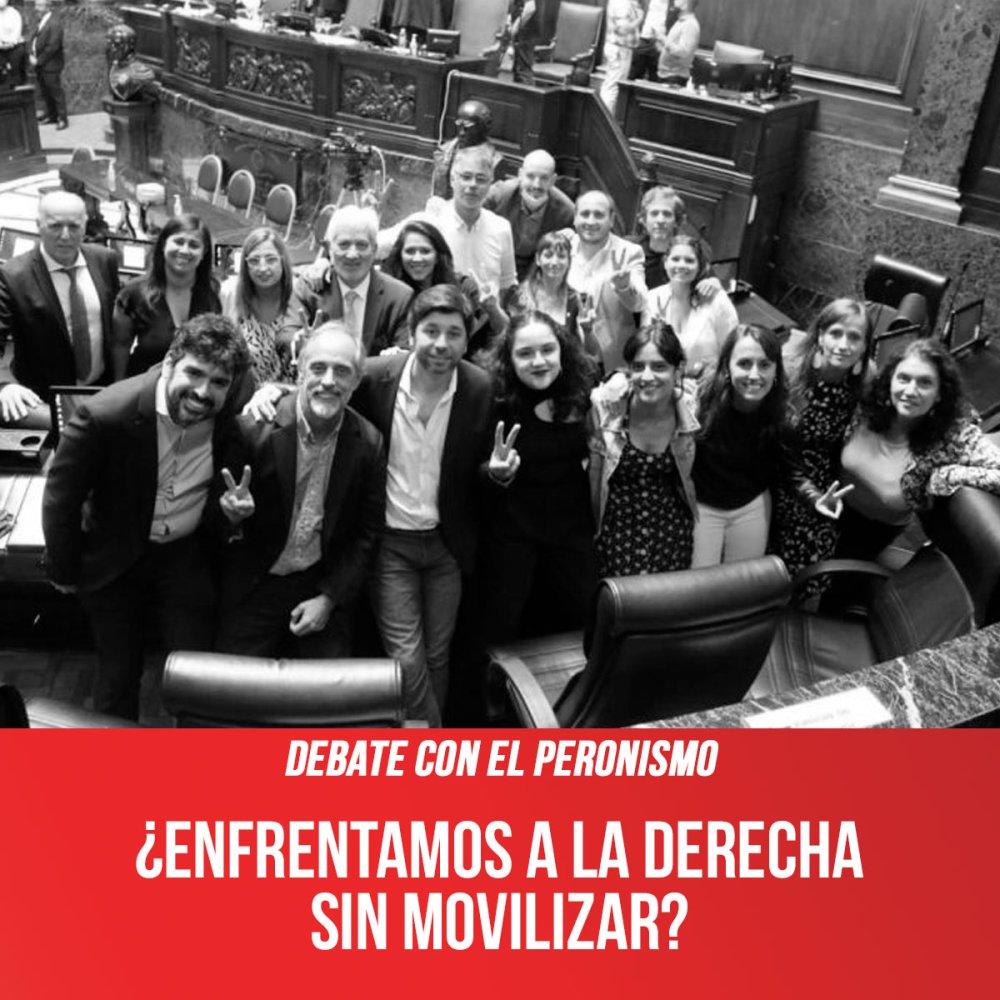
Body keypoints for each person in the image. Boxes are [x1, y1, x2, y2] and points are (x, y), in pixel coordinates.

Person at [41, 314, 250, 721]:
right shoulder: (104, 415)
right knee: (118, 677)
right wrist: (64, 569)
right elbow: (61, 499)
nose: (203, 392)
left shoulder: (227, 417)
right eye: (194, 373)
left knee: (197, 676)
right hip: (116, 560)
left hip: (185, 558)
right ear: (170, 361)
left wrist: (230, 516)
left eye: (219, 382)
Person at [349, 284, 496, 727]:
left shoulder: (479, 387)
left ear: (467, 340)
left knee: (436, 655)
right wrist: (267, 395)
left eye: (454, 333)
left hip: (446, 545)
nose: (441, 344)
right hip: (391, 544)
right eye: (431, 331)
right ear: (412, 333)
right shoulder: (375, 377)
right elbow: (323, 391)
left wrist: (498, 473)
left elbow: (478, 470)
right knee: (407, 659)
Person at [215, 322, 386, 658]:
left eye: (342, 371)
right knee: (231, 684)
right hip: (255, 585)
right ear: (300, 372)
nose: (328, 380)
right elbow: (212, 519)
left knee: (330, 688)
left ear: (356, 381)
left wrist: (329, 598)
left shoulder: (369, 444)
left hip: (319, 585)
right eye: (318, 368)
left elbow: (367, 535)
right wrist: (231, 517)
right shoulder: (253, 429)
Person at [480, 311, 598, 642]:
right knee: (503, 631)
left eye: (547, 350)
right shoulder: (493, 399)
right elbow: (471, 474)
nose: (538, 361)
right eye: (525, 353)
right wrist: (495, 473)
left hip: (572, 534)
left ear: (562, 350)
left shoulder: (582, 390)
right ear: (509, 359)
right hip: (513, 537)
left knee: (584, 629)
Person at [834, 338, 1000, 563]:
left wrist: (945, 476)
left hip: (869, 536)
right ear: (890, 380)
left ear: (939, 392)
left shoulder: (952, 437)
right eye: (903, 378)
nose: (910, 391)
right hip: (823, 503)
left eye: (924, 383)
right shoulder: (866, 404)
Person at [771, 298, 874, 580]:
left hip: (828, 484)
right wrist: (809, 493)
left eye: (854, 337)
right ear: (820, 336)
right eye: (835, 333)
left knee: (817, 555)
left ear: (865, 345)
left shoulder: (864, 380)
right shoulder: (790, 371)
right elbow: (776, 446)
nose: (843, 345)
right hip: (781, 475)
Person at [589, 321, 699, 577]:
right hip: (617, 533)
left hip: (672, 533)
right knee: (623, 600)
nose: (647, 376)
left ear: (677, 370)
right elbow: (593, 476)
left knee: (670, 599)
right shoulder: (606, 408)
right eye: (638, 367)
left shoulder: (690, 408)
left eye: (659, 367)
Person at [0, 191, 120, 426]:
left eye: (74, 226)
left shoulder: (105, 260)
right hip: (44, 398)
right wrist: (4, 384)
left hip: (102, 390)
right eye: (55, 226)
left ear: (85, 226)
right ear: (39, 225)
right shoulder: (13, 275)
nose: (65, 235)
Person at [691, 324, 791, 567]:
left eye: (764, 365)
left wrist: (814, 497)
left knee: (743, 580)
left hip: (750, 504)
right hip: (702, 505)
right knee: (700, 581)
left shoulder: (782, 413)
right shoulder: (700, 401)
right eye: (744, 364)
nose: (754, 375)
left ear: (776, 370)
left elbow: (792, 469)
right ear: (727, 366)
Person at [381, 146, 518, 309]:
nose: (473, 185)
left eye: (481, 179)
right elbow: (376, 246)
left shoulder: (501, 228)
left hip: (485, 319)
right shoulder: (430, 221)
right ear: (452, 179)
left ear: (490, 183)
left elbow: (507, 284)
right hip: (437, 317)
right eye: (466, 177)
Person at [288, 205, 413, 358]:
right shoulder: (310, 288)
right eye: (344, 244)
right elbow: (286, 335)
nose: (352, 254)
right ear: (329, 248)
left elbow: (403, 356)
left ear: (374, 249)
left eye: (361, 245)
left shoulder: (399, 297)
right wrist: (302, 344)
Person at [111, 213, 220, 380]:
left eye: (194, 245)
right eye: (178, 242)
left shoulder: (213, 292)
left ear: (204, 252)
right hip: (144, 387)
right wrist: (119, 388)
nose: (184, 250)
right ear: (163, 244)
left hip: (194, 388)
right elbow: (120, 346)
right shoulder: (133, 293)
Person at [380, 218, 507, 357]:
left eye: (425, 251)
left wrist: (492, 309)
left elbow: (504, 333)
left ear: (437, 256)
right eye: (410, 251)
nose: (417, 258)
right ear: (400, 255)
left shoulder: (463, 287)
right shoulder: (393, 294)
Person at [565, 189, 647, 373]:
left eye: (599, 215)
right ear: (575, 218)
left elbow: (640, 303)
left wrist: (623, 286)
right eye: (585, 214)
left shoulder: (628, 252)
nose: (591, 221)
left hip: (608, 359)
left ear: (611, 220)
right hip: (563, 354)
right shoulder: (562, 246)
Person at [642, 232, 737, 377]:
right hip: (666, 383)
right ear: (666, 263)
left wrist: (714, 374)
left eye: (689, 260)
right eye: (675, 259)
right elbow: (647, 350)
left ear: (699, 266)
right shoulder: (652, 298)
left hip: (709, 383)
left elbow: (733, 348)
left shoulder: (716, 299)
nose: (681, 265)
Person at [507, 230, 602, 363]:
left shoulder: (577, 300)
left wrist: (588, 330)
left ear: (569, 261)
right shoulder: (519, 296)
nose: (554, 262)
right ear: (538, 259)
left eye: (561, 256)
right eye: (548, 255)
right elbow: (509, 343)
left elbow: (593, 354)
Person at [219, 227, 297, 387]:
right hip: (244, 394)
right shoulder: (229, 293)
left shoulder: (300, 293)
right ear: (245, 264)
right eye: (254, 261)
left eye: (271, 259)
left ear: (282, 260)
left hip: (292, 394)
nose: (263, 268)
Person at [483, 149, 575, 282]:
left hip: (537, 271)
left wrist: (571, 235)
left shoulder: (566, 211)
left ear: (553, 180)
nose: (536, 185)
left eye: (544, 178)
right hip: (497, 262)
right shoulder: (499, 195)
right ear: (520, 175)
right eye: (530, 176)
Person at [632, 185, 714, 290]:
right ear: (644, 220)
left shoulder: (690, 252)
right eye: (654, 214)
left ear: (677, 221)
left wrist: (713, 283)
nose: (660, 220)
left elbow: (710, 281)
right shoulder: (630, 248)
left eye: (667, 214)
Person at [431, 99, 498, 199]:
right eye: (460, 127)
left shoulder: (494, 161)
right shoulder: (444, 152)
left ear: (482, 129)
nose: (461, 133)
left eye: (468, 128)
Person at [599, 0, 644, 113]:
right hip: (620, 50)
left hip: (618, 49)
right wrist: (639, 19)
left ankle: (602, 118)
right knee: (613, 89)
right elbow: (622, 29)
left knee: (610, 86)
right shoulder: (623, 3)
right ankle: (603, 120)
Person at [30, 0, 66, 129]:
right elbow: (35, 40)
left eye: (40, 5)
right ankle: (52, 116)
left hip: (51, 65)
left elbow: (53, 46)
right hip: (41, 65)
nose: (36, 8)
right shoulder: (42, 21)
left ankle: (62, 119)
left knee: (56, 92)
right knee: (46, 92)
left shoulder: (54, 23)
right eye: (36, 5)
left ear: (48, 7)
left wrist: (38, 60)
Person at [658, 0, 701, 86]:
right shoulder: (680, 22)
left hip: (675, 78)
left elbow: (683, 52)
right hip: (667, 76)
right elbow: (672, 49)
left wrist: (665, 41)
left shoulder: (690, 24)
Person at [630, 0, 672, 82]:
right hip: (642, 40)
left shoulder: (674, 5)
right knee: (633, 75)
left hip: (661, 44)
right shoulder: (644, 1)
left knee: (656, 80)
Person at [0, 0, 26, 86]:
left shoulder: (14, 13)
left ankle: (17, 87)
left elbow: (17, 32)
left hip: (15, 47)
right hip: (0, 47)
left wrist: (10, 43)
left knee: (15, 72)